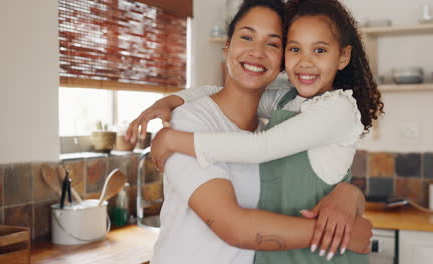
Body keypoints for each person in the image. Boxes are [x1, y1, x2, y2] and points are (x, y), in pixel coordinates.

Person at [133, 0, 374, 263]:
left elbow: (263, 146)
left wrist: (349, 193)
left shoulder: (287, 116)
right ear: (227, 46)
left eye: (272, 43)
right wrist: (170, 102)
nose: (256, 52)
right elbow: (233, 227)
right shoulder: (189, 122)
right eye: (247, 37)